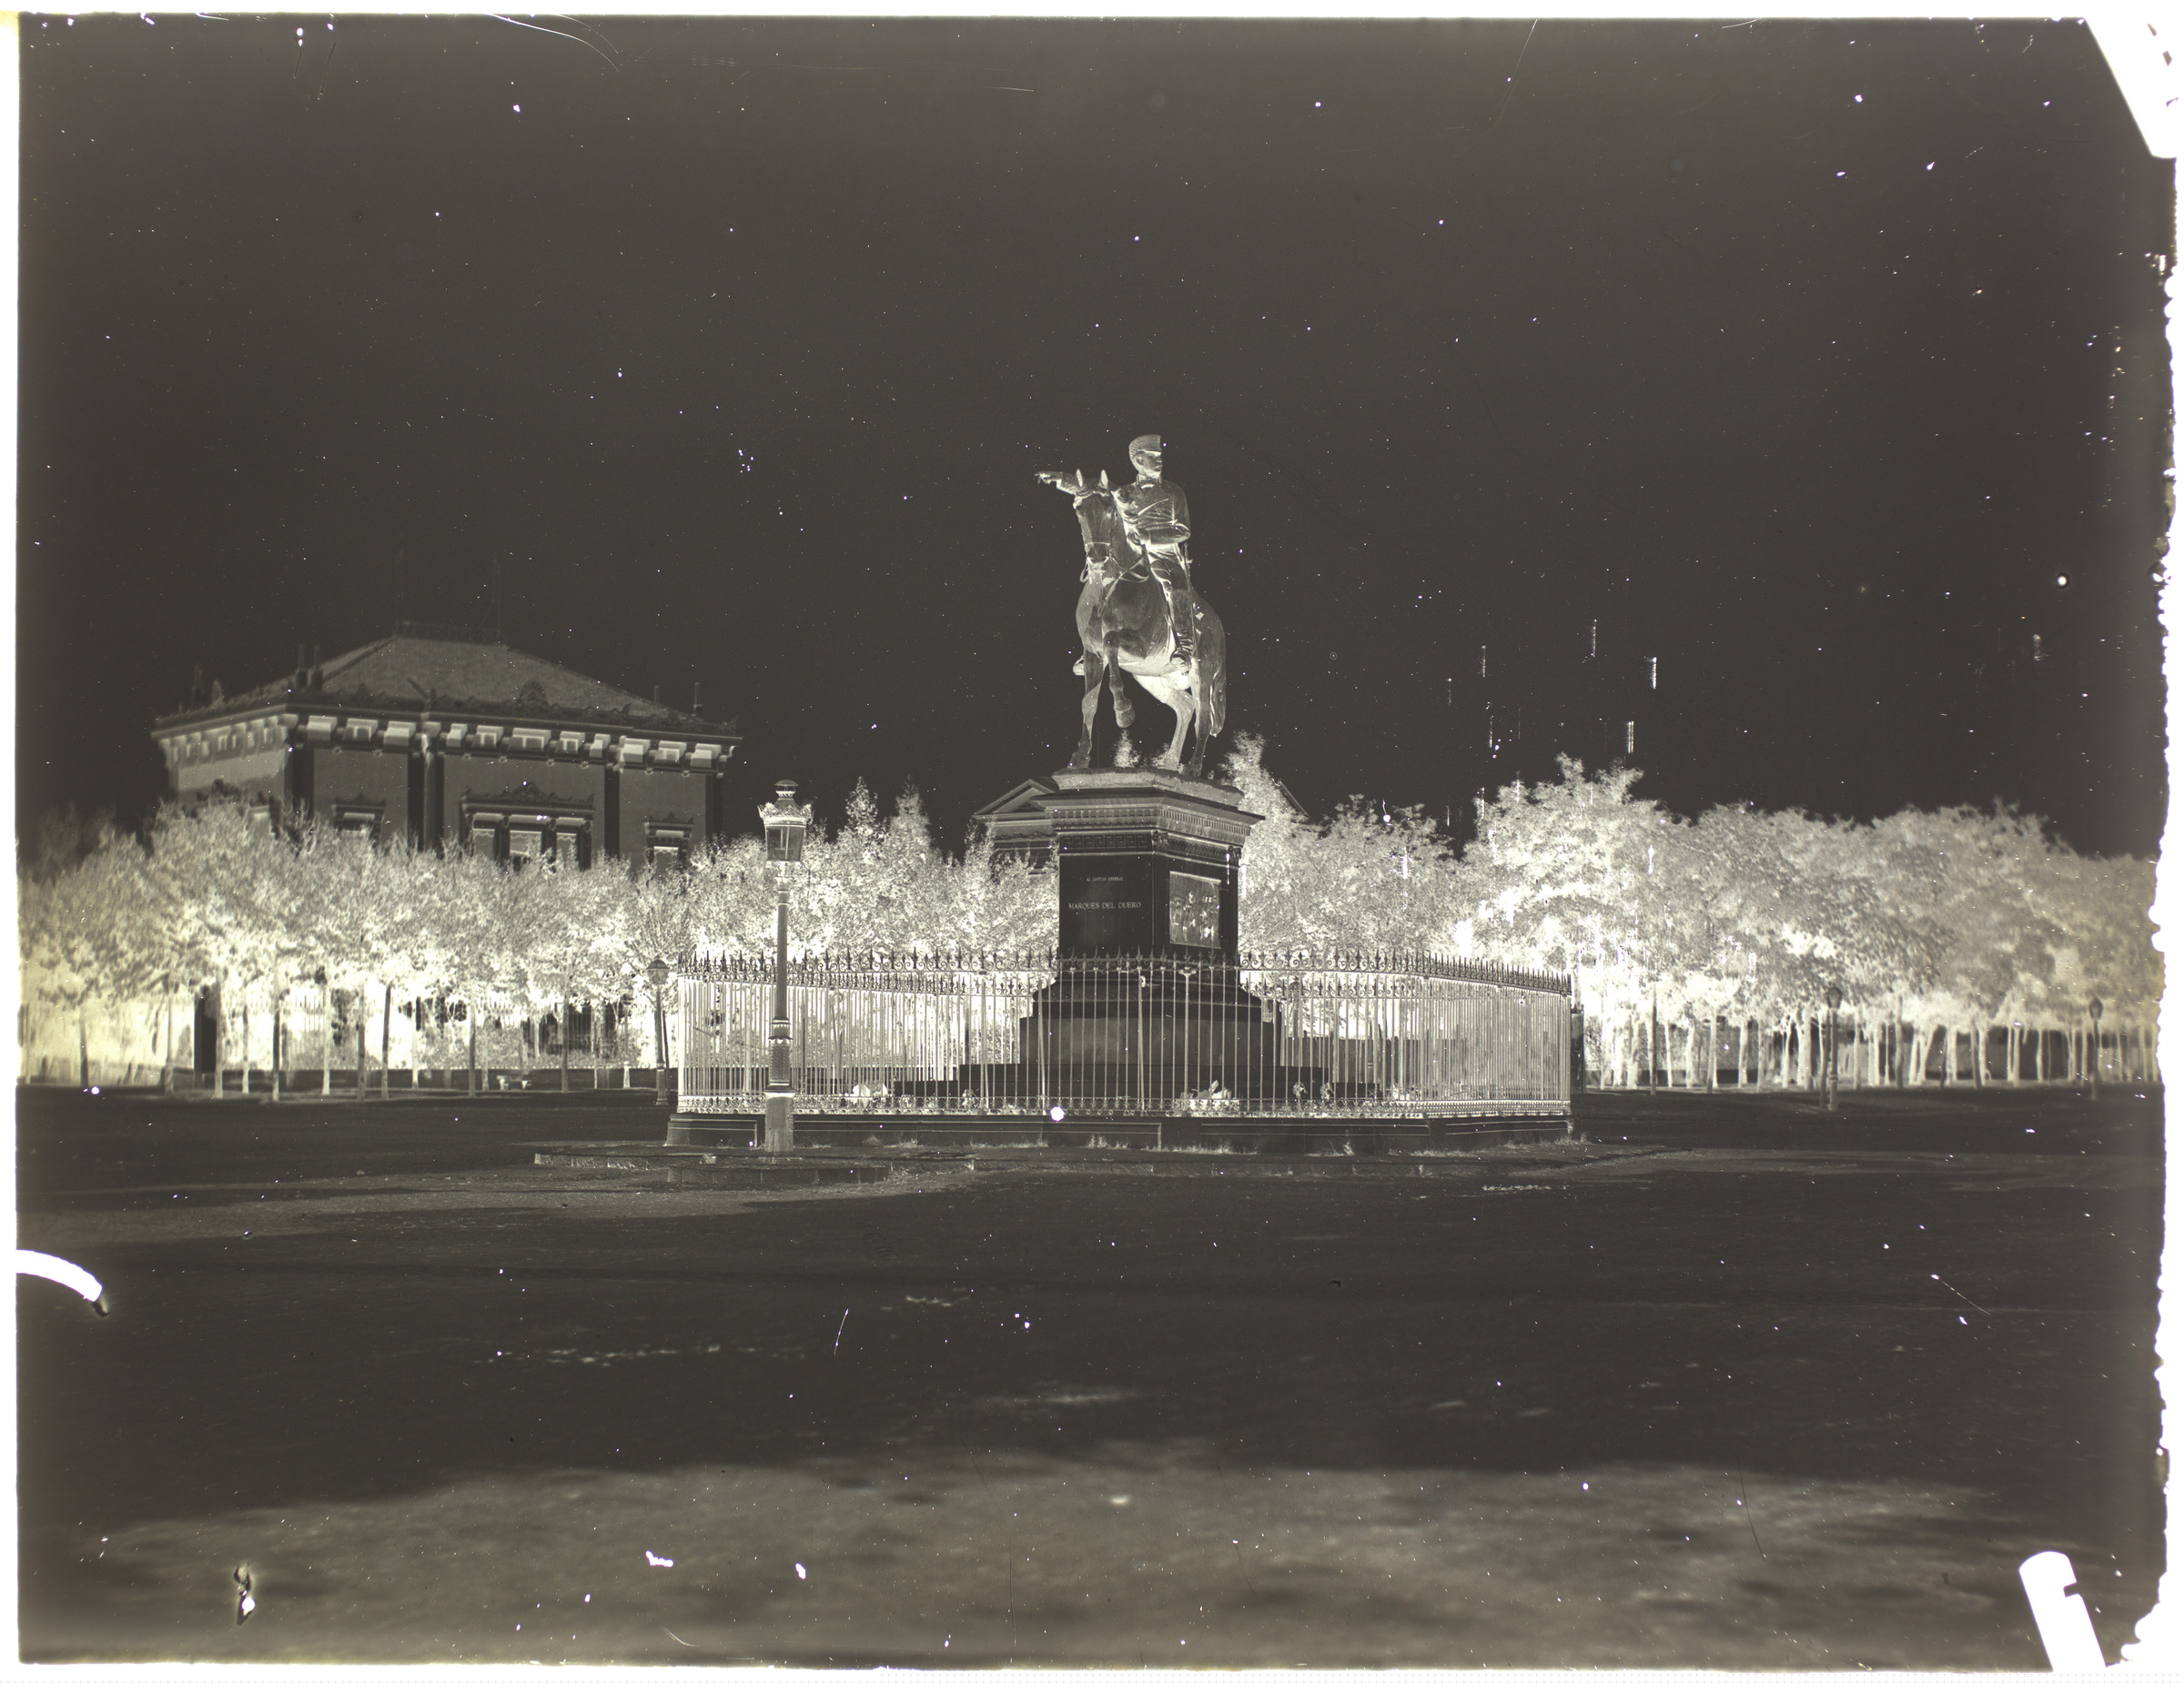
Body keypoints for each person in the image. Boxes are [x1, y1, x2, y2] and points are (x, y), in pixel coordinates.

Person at [1047, 433, 1199, 678]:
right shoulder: (1125, 492)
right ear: (1138, 460)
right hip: (1132, 554)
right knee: (1100, 581)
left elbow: (1183, 530)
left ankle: (1184, 647)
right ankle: (1091, 648)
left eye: (1159, 456)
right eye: (1153, 457)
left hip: (1164, 555)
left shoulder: (1173, 491)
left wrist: (1149, 537)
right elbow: (1091, 490)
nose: (1159, 460)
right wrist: (1062, 480)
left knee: (1178, 589)